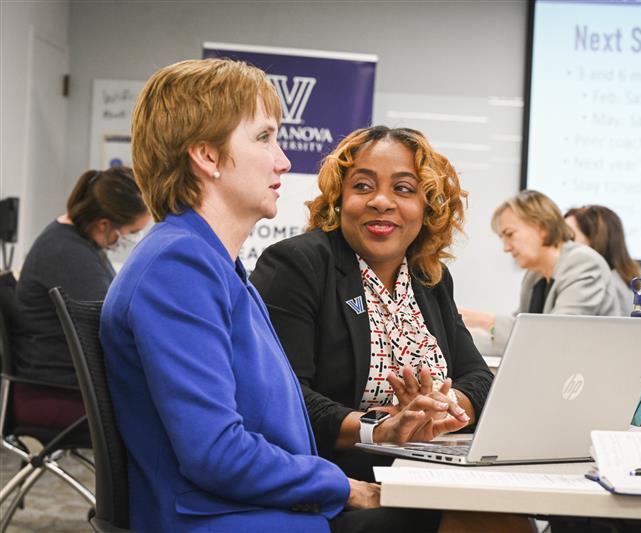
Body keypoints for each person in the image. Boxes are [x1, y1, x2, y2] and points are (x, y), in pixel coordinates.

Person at [100, 59, 451, 532]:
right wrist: (345, 486)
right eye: (264, 138)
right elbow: (216, 453)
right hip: (229, 520)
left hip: (258, 510)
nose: (284, 160)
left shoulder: (210, 263)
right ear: (206, 156)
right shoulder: (179, 266)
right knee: (478, 521)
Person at [250, 126, 494, 482]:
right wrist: (381, 426)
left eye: (403, 189)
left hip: (426, 466)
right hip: (337, 477)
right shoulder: (299, 265)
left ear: (427, 205)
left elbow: (479, 379)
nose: (381, 201)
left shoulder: (429, 276)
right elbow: (283, 396)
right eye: (362, 186)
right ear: (338, 199)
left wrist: (437, 409)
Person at [11, 166, 149, 428]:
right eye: (132, 232)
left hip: (60, 386)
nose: (133, 240)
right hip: (56, 393)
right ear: (104, 225)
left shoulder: (75, 242)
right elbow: (111, 328)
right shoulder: (68, 254)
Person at [460, 190, 622, 353]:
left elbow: (556, 334)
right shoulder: (534, 274)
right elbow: (517, 336)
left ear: (542, 227)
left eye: (510, 234)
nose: (506, 248)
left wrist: (484, 320)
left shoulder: (584, 263)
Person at [564, 205, 641, 316]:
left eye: (569, 237)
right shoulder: (615, 280)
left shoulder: (608, 288)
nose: (559, 244)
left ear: (595, 240)